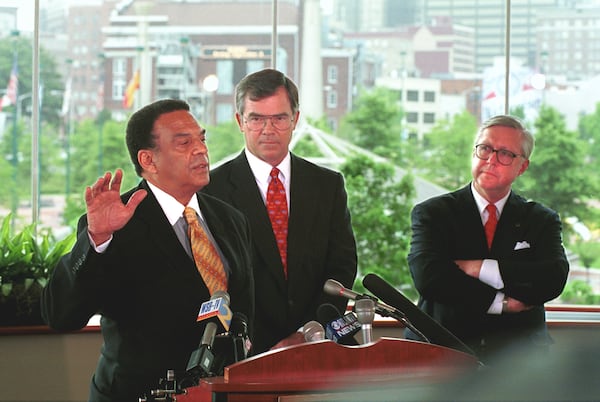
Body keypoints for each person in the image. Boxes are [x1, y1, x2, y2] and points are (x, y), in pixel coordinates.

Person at [41, 99, 254, 401]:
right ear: (148, 160)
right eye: (184, 143)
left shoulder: (231, 219)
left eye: (202, 139)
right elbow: (60, 315)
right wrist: (97, 238)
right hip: (137, 392)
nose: (201, 150)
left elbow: (245, 313)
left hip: (221, 393)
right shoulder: (115, 224)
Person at [202, 68, 357, 354]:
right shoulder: (211, 190)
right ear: (240, 121)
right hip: (242, 352)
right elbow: (215, 278)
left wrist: (308, 332)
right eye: (257, 119)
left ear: (295, 119)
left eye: (279, 119)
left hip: (316, 345)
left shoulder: (327, 185)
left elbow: (342, 268)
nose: (268, 130)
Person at [407, 114, 569, 364]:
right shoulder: (434, 213)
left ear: (522, 167)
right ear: (474, 153)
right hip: (443, 352)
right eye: (485, 149)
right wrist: (500, 302)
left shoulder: (541, 219)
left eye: (505, 153)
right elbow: (430, 277)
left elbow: (552, 279)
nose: (491, 160)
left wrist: (479, 268)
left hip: (519, 359)